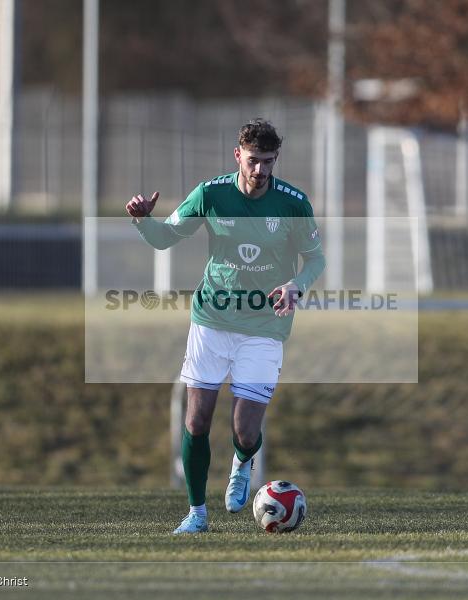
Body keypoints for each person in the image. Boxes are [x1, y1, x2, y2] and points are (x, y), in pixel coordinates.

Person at [126, 119, 325, 534]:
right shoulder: (211, 194)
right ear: (238, 155)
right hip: (212, 320)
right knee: (196, 421)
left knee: (245, 429)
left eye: (268, 162)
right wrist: (144, 221)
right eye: (253, 161)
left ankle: (243, 462)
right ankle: (197, 514)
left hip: (265, 325)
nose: (260, 171)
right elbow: (165, 238)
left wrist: (296, 286)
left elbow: (316, 260)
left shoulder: (293, 203)